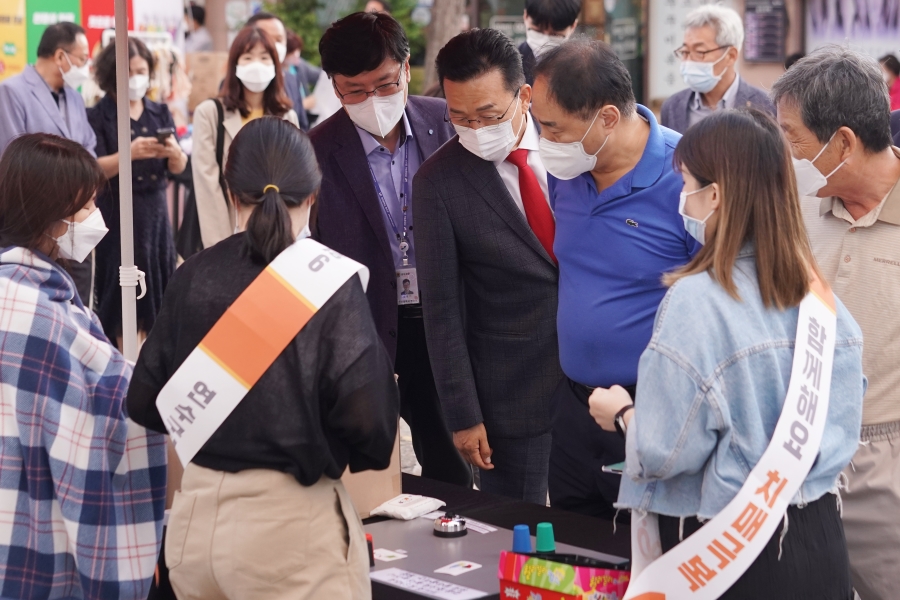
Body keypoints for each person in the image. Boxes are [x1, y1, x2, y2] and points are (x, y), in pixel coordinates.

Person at [588, 108, 864, 599]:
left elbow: (665, 451)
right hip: (823, 537)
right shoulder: (825, 303)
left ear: (714, 195)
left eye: (687, 182)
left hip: (733, 549)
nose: (681, 197)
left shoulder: (697, 302)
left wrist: (624, 413)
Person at [127, 117, 399, 600]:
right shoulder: (330, 287)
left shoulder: (194, 277)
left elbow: (146, 401)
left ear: (232, 194)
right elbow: (373, 429)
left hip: (195, 525)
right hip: (290, 533)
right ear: (314, 195)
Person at [530, 39, 699, 518]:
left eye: (552, 127)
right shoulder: (567, 168)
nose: (543, 139)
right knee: (574, 554)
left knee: (645, 558)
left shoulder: (687, 176)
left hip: (647, 410)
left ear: (606, 118)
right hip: (572, 403)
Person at [0, 133, 167, 599]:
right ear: (48, 218)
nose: (94, 219)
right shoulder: (46, 316)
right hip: (37, 553)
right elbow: (122, 407)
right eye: (84, 208)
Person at [311, 12, 470, 487]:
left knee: (449, 457)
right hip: (362, 321)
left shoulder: (447, 123)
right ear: (334, 87)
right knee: (363, 463)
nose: (372, 100)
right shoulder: (317, 149)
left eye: (383, 84)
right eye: (353, 90)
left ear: (405, 68)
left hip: (441, 314)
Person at [773, 46, 900, 600]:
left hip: (886, 460)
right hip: (798, 456)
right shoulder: (797, 208)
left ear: (843, 141)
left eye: (794, 137)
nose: (787, 153)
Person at [415, 28, 562, 503]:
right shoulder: (438, 182)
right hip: (508, 398)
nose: (476, 130)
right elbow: (440, 309)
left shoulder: (573, 149)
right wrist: (462, 413)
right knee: (515, 535)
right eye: (460, 118)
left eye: (488, 115)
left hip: (597, 390)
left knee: (601, 537)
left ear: (524, 96)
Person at [88, 37, 187, 346]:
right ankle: (119, 354)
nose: (135, 77)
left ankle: (152, 352)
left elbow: (180, 166)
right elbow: (94, 169)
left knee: (158, 283)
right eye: (127, 71)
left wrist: (173, 154)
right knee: (117, 288)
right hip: (116, 211)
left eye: (141, 70)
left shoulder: (159, 112)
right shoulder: (99, 114)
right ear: (111, 73)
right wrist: (128, 153)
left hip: (155, 212)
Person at [0, 22, 98, 305]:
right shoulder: (12, 92)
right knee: (36, 302)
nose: (85, 65)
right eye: (82, 58)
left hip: (75, 219)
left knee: (78, 301)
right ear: (59, 56)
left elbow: (88, 150)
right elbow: (14, 160)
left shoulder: (75, 98)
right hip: (36, 224)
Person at [192, 26, 299, 249]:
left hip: (275, 234)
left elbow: (294, 179)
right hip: (228, 229)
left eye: (264, 57)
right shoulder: (210, 113)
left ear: (275, 65)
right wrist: (221, 246)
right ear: (235, 65)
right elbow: (207, 182)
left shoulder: (287, 117)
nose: (256, 65)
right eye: (248, 57)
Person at [661, 5, 774, 134]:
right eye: (685, 51)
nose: (688, 60)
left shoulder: (765, 105)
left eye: (699, 51)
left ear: (730, 56)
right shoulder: (672, 107)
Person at [246, 12, 310, 131]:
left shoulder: (291, 79)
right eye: (266, 38)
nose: (274, 45)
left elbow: (302, 127)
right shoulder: (239, 81)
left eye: (279, 39)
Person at [519, 0, 581, 86]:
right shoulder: (508, 63)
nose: (545, 40)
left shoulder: (583, 69)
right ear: (525, 16)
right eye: (537, 31)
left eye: (555, 35)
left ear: (573, 26)